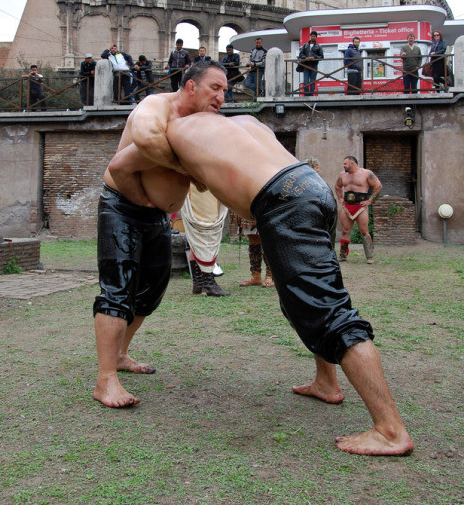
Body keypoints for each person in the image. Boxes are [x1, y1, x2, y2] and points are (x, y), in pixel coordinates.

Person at [162, 113, 413, 456]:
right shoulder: (245, 121)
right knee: (298, 298)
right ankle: (326, 382)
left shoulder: (180, 132)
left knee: (328, 313)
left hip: (283, 202)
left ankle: (390, 430)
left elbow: (185, 192)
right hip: (313, 187)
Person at [93, 61, 227, 409]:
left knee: (151, 290)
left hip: (156, 216)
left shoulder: (195, 124)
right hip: (121, 206)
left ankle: (121, 354)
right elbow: (130, 157)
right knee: (117, 287)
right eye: (215, 87)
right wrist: (173, 174)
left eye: (225, 91)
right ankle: (105, 379)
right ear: (191, 86)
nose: (221, 97)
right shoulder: (157, 107)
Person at [181, 184, 229, 297]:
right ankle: (208, 282)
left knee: (198, 238)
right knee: (207, 234)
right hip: (200, 188)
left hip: (197, 188)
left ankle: (198, 283)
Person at [335, 156, 382, 265]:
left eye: (345, 163)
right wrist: (340, 198)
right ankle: (342, 255)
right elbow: (337, 186)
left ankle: (370, 256)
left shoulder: (366, 173)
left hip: (360, 206)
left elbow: (378, 186)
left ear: (352, 163)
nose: (343, 165)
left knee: (364, 231)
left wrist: (370, 201)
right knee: (345, 231)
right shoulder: (342, 175)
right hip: (347, 206)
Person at [237, 217, 274, 288]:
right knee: (252, 236)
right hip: (247, 209)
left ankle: (271, 276)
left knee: (267, 236)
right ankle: (256, 276)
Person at [297, 31, 324, 96]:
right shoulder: (305, 45)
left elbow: (321, 56)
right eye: (312, 36)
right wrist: (306, 57)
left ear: (316, 37)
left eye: (314, 36)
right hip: (306, 65)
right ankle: (306, 95)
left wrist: (314, 57)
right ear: (310, 36)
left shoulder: (319, 46)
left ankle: (311, 95)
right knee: (306, 81)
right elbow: (300, 54)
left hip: (314, 65)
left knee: (312, 81)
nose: (313, 37)